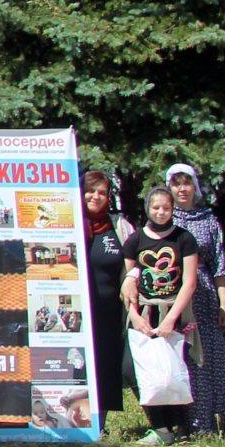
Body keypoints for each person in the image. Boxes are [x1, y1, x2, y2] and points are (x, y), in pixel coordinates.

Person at [123, 185, 199, 445]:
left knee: (172, 369)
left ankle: (181, 427)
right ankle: (159, 426)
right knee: (136, 369)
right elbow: (128, 281)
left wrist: (171, 318)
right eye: (156, 207)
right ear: (148, 208)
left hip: (173, 311)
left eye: (166, 207)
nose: (161, 212)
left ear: (173, 209)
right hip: (143, 312)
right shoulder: (135, 240)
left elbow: (189, 282)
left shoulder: (184, 239)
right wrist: (134, 315)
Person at [166, 162, 225, 436]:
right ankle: (188, 422)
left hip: (204, 297)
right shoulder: (165, 219)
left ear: (195, 186)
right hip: (173, 297)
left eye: (187, 183)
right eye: (176, 183)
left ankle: (222, 418)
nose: (182, 189)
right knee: (182, 358)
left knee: (209, 358)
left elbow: (220, 263)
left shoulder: (208, 219)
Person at [81, 170, 133, 430]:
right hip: (77, 313)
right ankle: (74, 422)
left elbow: (133, 265)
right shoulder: (71, 224)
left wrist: (130, 281)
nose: (96, 196)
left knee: (105, 366)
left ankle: (98, 424)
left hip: (109, 314)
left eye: (102, 192)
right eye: (91, 190)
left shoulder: (119, 226)